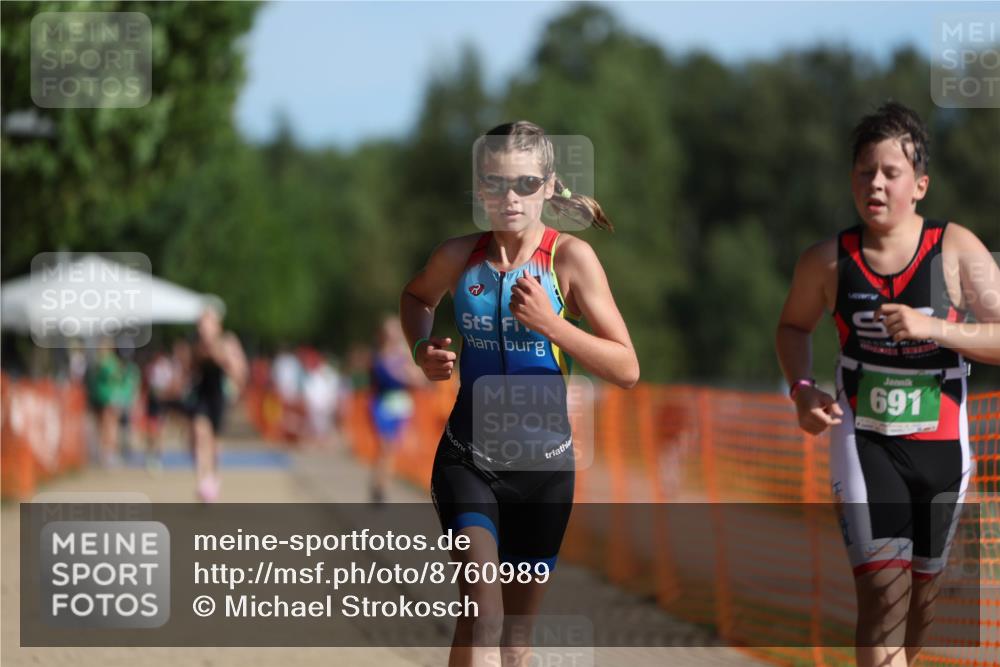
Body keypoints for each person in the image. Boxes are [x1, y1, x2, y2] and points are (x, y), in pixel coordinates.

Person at [400, 121, 639, 666]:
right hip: (469, 459)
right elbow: (416, 296)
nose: (510, 198)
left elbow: (627, 367)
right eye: (496, 183)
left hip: (545, 471)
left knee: (516, 643)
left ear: (550, 187)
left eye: (525, 184)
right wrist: (420, 349)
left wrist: (553, 324)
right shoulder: (459, 257)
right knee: (482, 615)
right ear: (480, 189)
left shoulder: (570, 260)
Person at [775, 101, 1000, 667]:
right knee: (882, 597)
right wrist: (802, 389)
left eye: (890, 173)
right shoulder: (826, 262)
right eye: (864, 172)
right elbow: (792, 326)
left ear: (919, 185)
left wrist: (935, 326)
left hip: (944, 451)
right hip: (865, 445)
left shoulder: (956, 250)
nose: (874, 183)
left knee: (921, 601)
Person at [188, 302, 248, 503]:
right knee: (199, 431)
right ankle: (201, 479)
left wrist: (220, 357)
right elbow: (188, 370)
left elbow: (240, 371)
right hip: (202, 394)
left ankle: (213, 477)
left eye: (206, 324)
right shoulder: (196, 345)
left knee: (213, 441)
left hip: (219, 396)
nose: (203, 329)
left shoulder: (227, 342)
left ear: (217, 325)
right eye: (200, 325)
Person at [368, 316, 423, 502]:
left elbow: (417, 378)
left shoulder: (404, 354)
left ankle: (382, 486)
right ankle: (379, 484)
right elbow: (386, 376)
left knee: (391, 449)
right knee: (385, 447)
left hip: (401, 406)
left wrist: (411, 376)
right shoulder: (379, 356)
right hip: (382, 405)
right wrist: (405, 377)